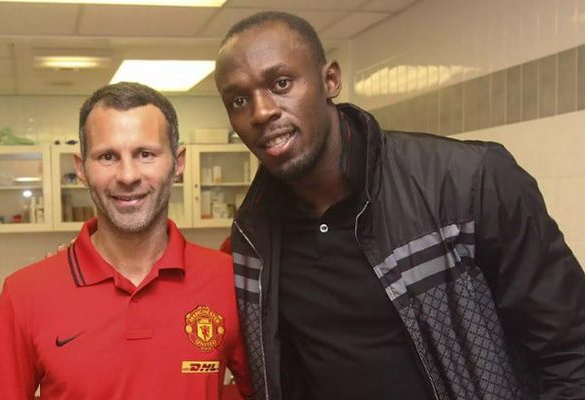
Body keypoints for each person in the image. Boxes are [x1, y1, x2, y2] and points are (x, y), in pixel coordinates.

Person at [214, 11, 585, 400]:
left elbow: (573, 355)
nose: (261, 112)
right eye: (239, 100)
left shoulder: (468, 183)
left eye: (281, 83)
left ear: (330, 80)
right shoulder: (253, 235)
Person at [0, 82, 252, 400]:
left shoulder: (229, 279)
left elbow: (268, 389)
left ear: (178, 163)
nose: (127, 176)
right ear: (81, 168)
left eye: (145, 154)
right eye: (108, 156)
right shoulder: (25, 294)